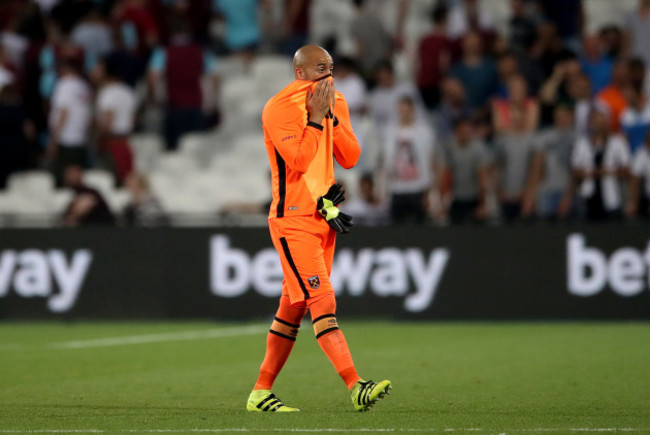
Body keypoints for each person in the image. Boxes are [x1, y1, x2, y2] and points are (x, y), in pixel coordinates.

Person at [247, 45, 391, 413]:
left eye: (331, 67)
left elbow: (351, 156)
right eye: (320, 68)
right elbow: (298, 161)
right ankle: (355, 385)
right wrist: (314, 118)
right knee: (322, 301)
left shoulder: (335, 100)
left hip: (323, 217)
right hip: (291, 219)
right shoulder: (278, 108)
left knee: (292, 309)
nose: (328, 75)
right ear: (300, 73)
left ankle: (261, 392)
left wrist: (332, 118)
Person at [561, 110, 631, 221]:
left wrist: (607, 171)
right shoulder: (581, 144)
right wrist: (567, 198)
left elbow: (627, 170)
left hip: (612, 197)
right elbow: (575, 172)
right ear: (590, 123)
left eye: (602, 121)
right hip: (587, 195)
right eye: (595, 122)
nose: (598, 126)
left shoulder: (618, 142)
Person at [381, 96, 437, 224]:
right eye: (401, 110)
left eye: (406, 110)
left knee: (420, 226)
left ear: (412, 111)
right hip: (397, 188)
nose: (404, 114)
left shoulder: (424, 132)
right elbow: (387, 161)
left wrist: (429, 189)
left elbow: (430, 160)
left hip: (417, 188)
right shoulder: (390, 132)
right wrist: (385, 187)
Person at [524, 104, 576, 220]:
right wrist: (530, 195)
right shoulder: (544, 136)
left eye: (565, 115)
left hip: (571, 192)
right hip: (547, 190)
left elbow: (579, 169)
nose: (561, 118)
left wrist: (568, 195)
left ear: (572, 117)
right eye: (558, 115)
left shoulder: (579, 138)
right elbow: (536, 167)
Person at [46, 59, 92, 187]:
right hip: (80, 137)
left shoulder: (65, 84)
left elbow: (64, 112)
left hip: (65, 137)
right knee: (77, 173)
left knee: (64, 177)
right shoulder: (83, 86)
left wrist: (54, 139)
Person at [95, 57, 136, 184]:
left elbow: (109, 120)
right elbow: (132, 119)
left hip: (111, 144)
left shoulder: (108, 93)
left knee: (110, 182)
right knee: (127, 179)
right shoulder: (128, 92)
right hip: (125, 142)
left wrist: (100, 138)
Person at [441, 117, 490, 224]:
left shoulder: (478, 149)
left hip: (474, 197)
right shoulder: (450, 149)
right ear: (456, 133)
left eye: (468, 132)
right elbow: (447, 175)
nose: (465, 135)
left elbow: (482, 176)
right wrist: (443, 202)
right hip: (457, 198)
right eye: (462, 132)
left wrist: (482, 204)